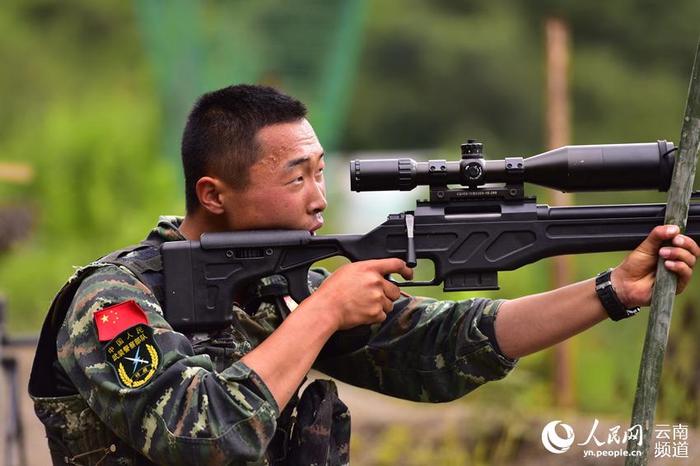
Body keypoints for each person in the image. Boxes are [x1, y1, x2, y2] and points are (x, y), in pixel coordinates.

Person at [29, 84, 699, 466]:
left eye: (320, 171)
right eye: (297, 177)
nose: (319, 197)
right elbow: (199, 436)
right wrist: (324, 314)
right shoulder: (114, 302)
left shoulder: (274, 287)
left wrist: (612, 291)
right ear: (212, 194)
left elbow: (435, 347)